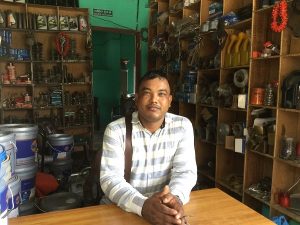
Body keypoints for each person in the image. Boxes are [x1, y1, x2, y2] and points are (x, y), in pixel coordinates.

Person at [100, 71, 197, 225]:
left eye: (161, 94)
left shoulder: (182, 126)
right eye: (147, 93)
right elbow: (110, 179)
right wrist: (143, 205)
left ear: (170, 100)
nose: (154, 100)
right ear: (137, 99)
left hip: (164, 208)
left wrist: (174, 199)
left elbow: (185, 172)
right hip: (122, 209)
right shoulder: (116, 130)